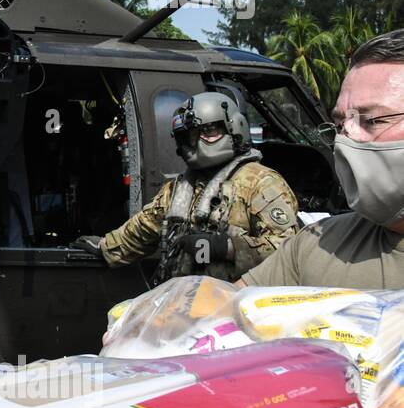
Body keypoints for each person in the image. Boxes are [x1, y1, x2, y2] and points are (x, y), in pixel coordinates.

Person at [239, 29, 404, 289]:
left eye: (371, 119)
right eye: (339, 125)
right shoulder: (315, 245)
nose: (345, 139)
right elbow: (223, 308)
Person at [82, 91, 301, 283]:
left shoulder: (259, 182)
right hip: (185, 302)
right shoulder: (179, 188)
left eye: (208, 131)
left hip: (235, 304)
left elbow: (287, 250)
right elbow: (144, 228)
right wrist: (104, 247)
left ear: (234, 128)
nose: (197, 141)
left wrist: (226, 247)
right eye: (190, 135)